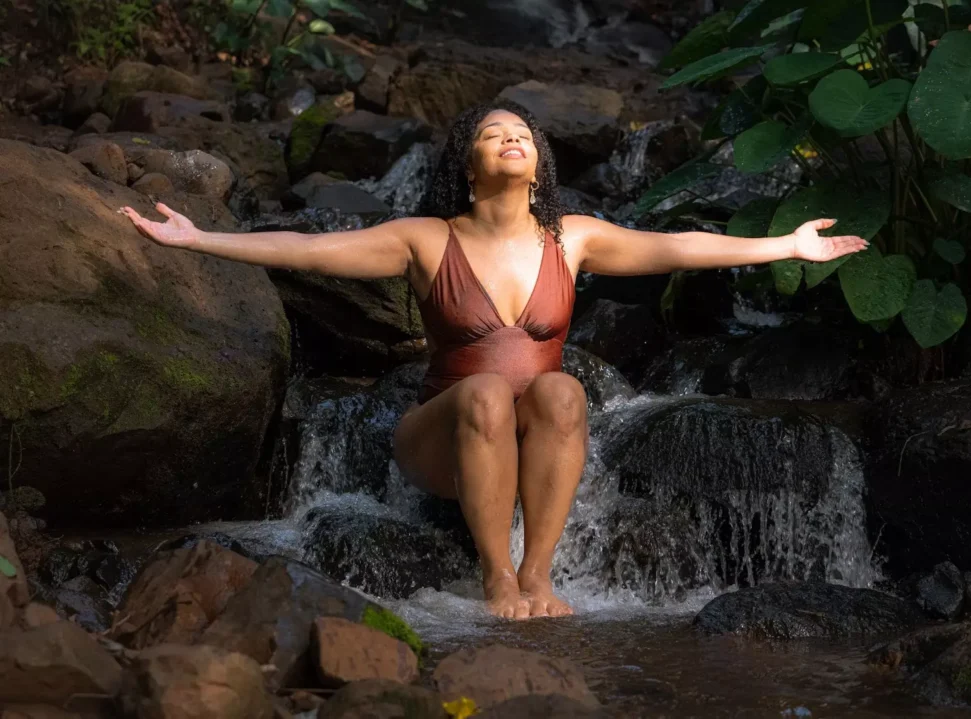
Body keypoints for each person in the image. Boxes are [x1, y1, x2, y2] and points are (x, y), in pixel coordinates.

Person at [120, 99, 867, 621]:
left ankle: (538, 573)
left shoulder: (571, 238)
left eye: (522, 133)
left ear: (539, 165)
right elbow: (308, 250)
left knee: (564, 392)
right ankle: (496, 577)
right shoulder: (424, 238)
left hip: (531, 436)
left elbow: (679, 247)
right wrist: (199, 240)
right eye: (492, 134)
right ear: (468, 167)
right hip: (442, 436)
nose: (512, 138)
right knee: (484, 393)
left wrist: (789, 245)